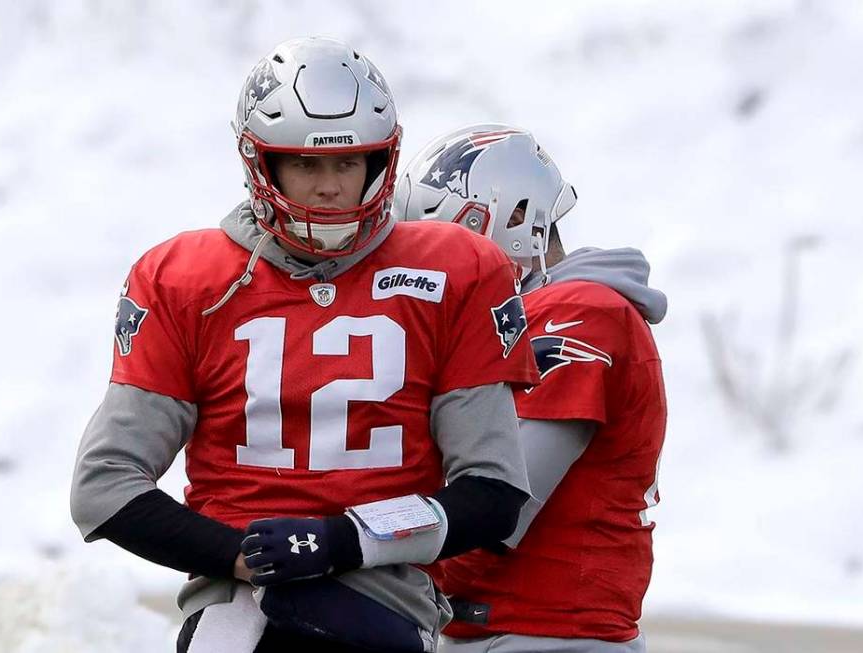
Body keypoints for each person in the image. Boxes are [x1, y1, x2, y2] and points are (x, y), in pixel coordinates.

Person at [70, 40, 540, 653]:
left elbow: (495, 491)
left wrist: (343, 537)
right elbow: (102, 486)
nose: (328, 188)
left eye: (348, 164)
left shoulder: (458, 269)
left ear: (381, 160)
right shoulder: (185, 278)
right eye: (305, 165)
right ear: (260, 162)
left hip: (383, 592)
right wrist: (241, 554)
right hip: (232, 596)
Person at [395, 124, 668, 653]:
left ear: (516, 217)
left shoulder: (580, 311)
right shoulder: (526, 318)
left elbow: (503, 506)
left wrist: (369, 569)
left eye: (451, 237)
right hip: (499, 630)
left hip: (548, 635)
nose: (436, 264)